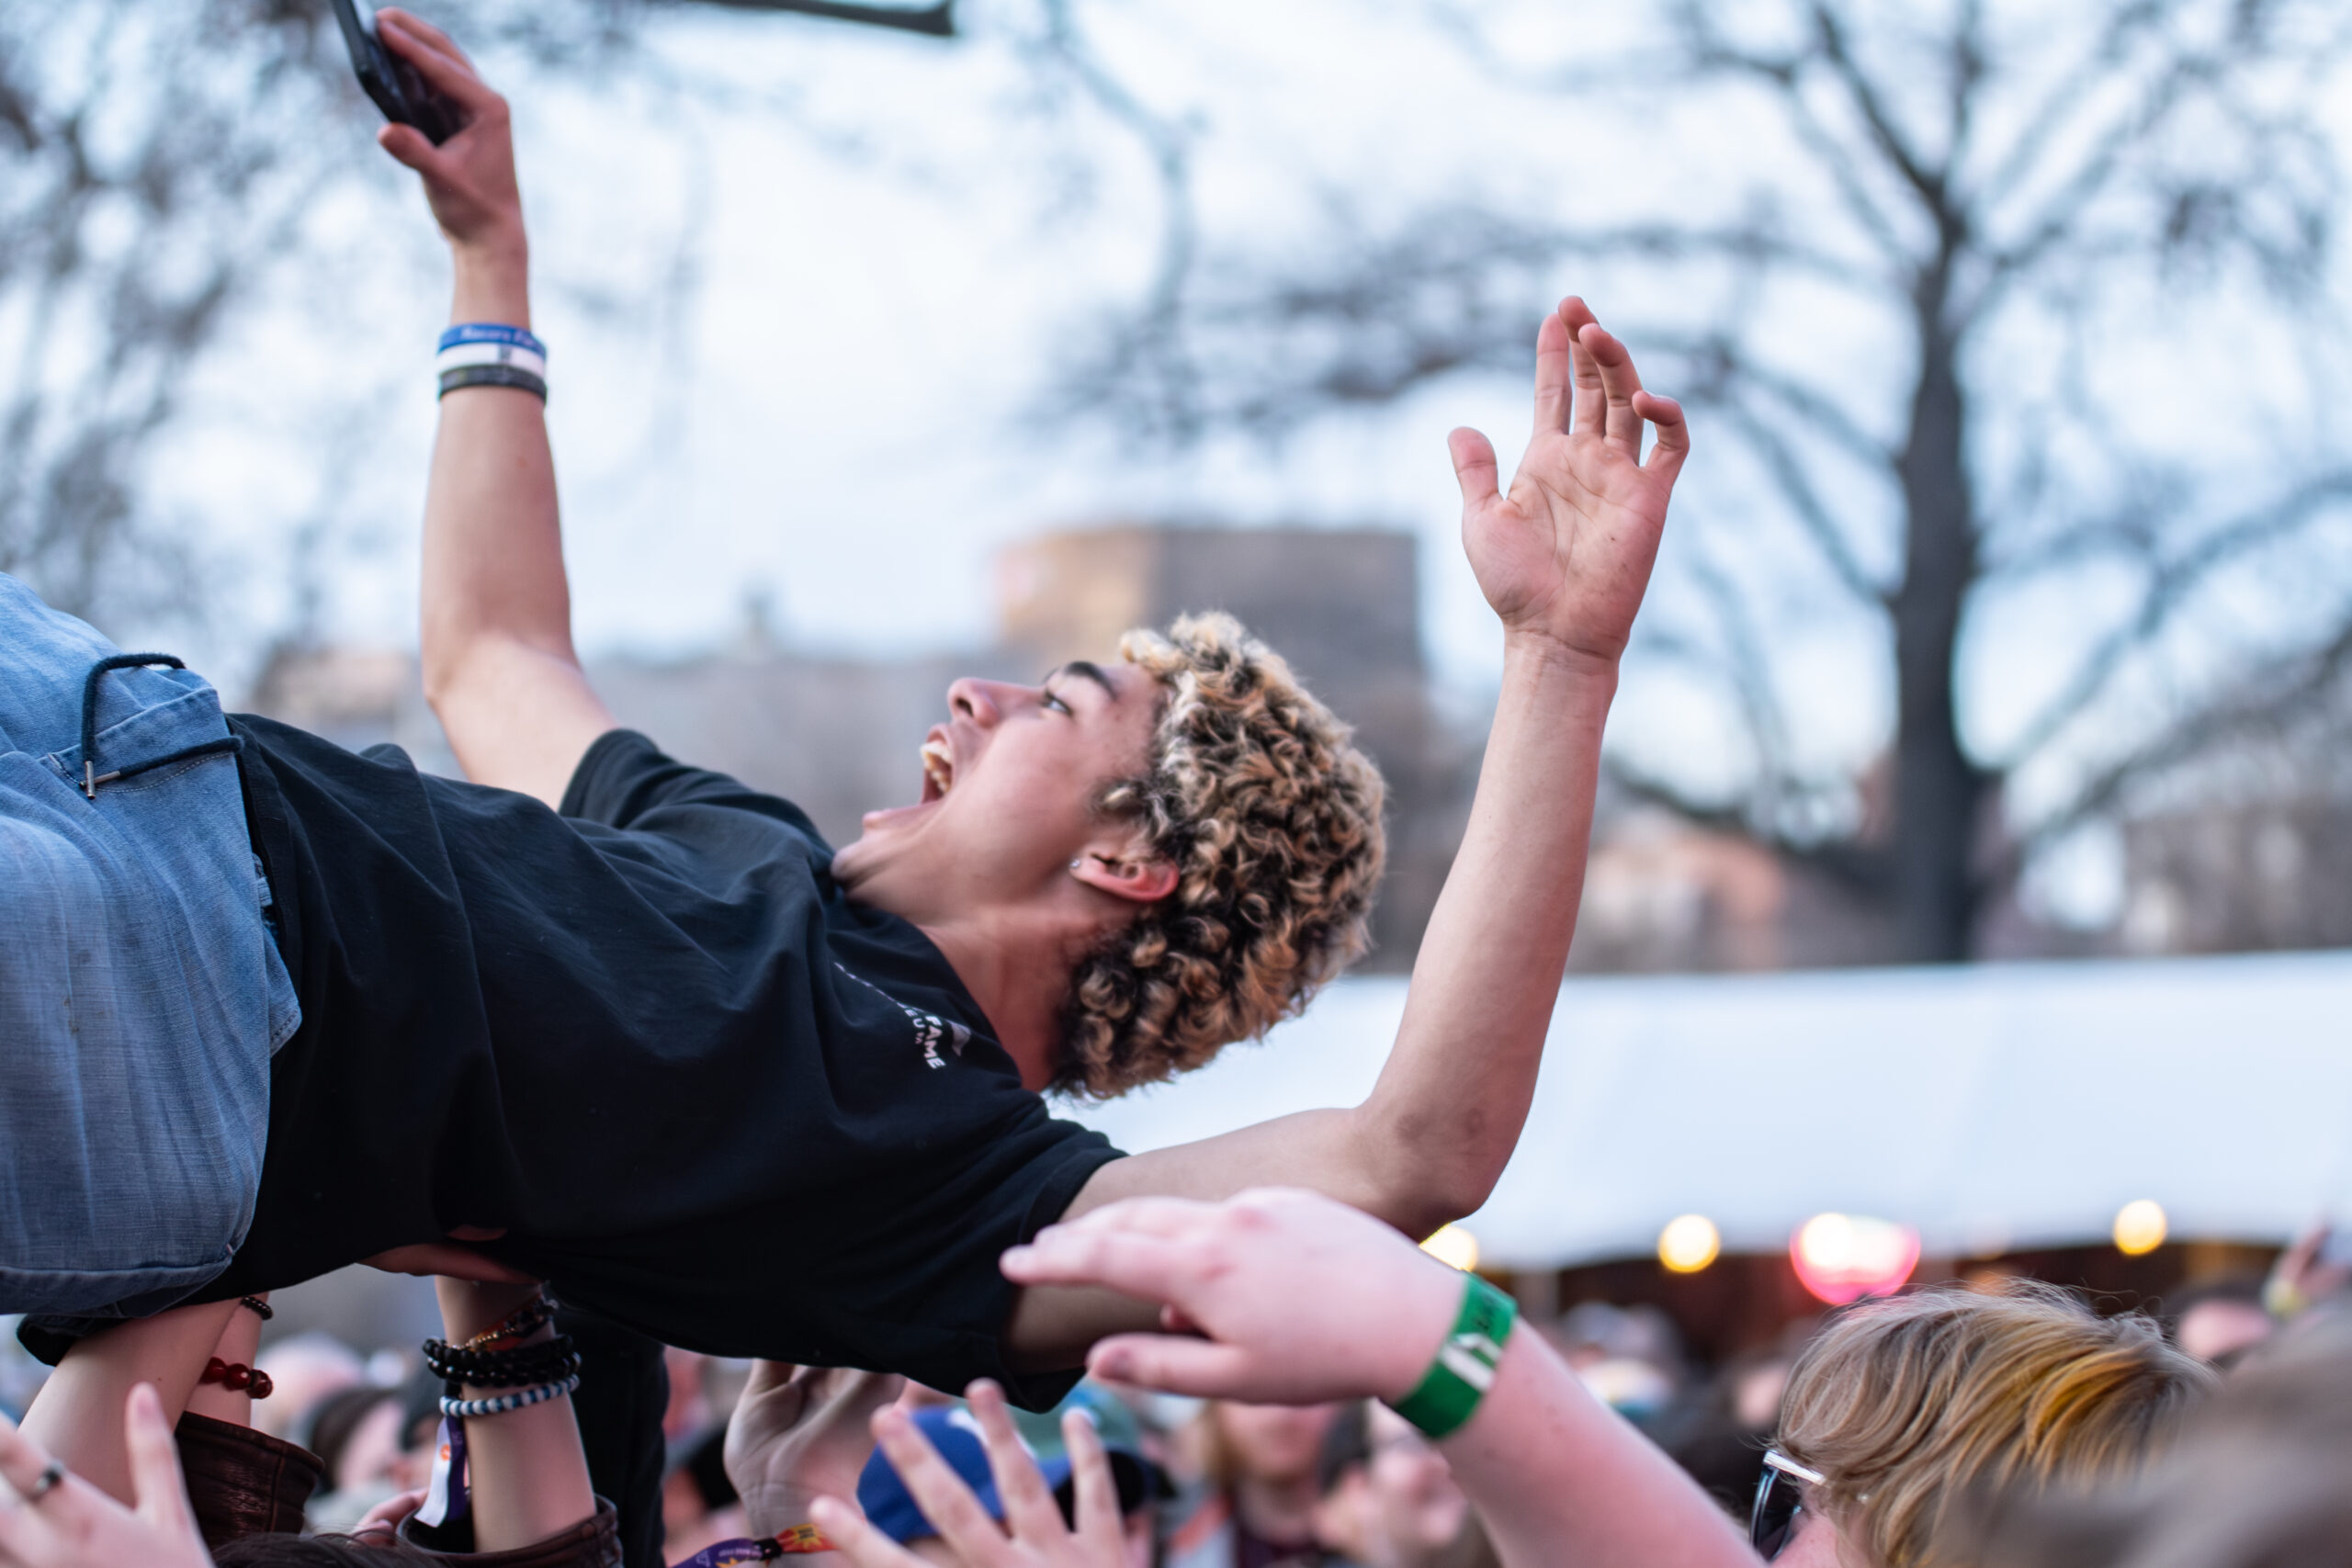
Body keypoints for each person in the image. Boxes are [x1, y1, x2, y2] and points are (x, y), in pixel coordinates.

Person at [9, 0, 1690, 1505]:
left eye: (1059, 699)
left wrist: (1560, 659)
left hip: (166, 988)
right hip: (127, 733)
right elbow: (494, 655)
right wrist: (490, 266)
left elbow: (1414, 1156)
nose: (973, 698)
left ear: (1130, 857)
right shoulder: (737, 850)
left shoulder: (964, 1193)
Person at [1161, 1402, 1339, 1567]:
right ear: (1216, 1408)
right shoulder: (1167, 1539)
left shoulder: (1363, 1542)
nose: (1279, 1417)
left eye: (1305, 1394)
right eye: (1254, 1397)